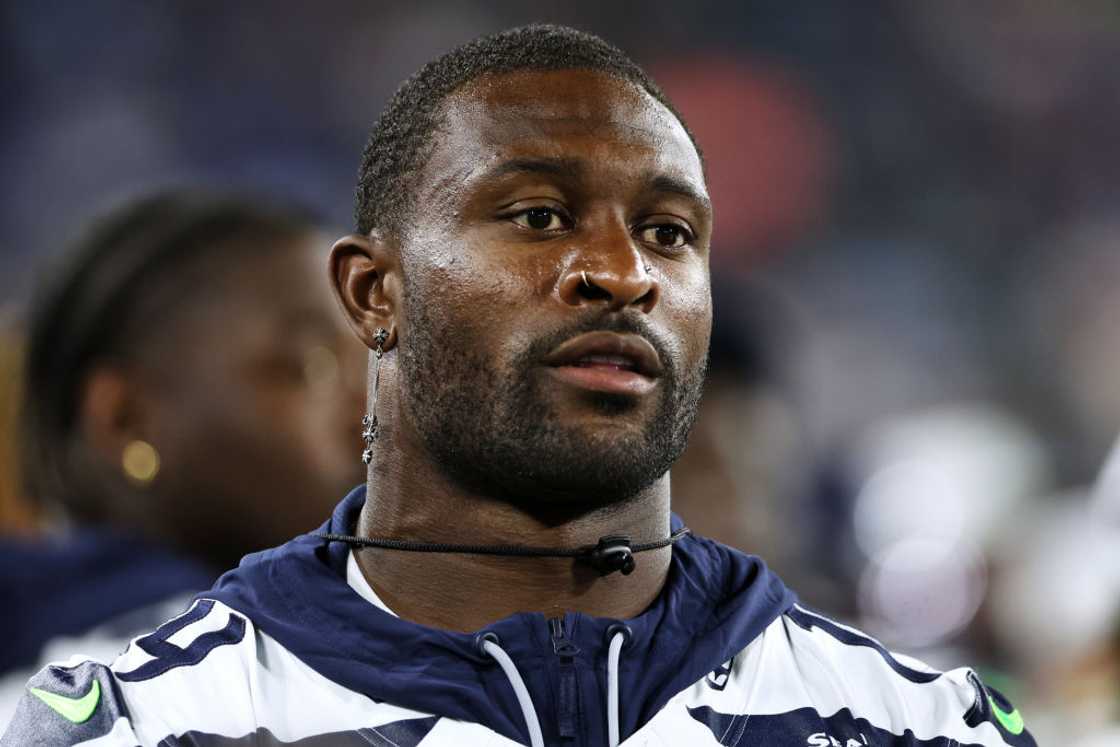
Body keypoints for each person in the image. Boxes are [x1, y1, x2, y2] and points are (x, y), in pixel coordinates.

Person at [4, 26, 1035, 746]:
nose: (622, 272)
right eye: (539, 216)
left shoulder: (924, 725)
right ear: (374, 295)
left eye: (669, 233)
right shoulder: (137, 725)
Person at [0, 191, 365, 725]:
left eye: (379, 357)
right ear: (126, 419)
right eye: (314, 364)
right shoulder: (178, 692)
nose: (375, 403)